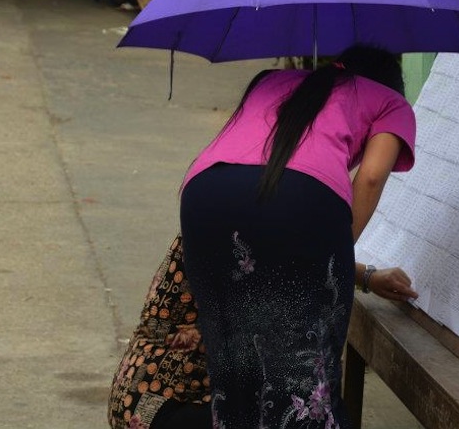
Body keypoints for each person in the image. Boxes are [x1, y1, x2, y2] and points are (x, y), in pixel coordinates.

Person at [178, 45, 416, 428]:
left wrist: (363, 274)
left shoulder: (271, 79)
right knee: (307, 370)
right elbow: (370, 178)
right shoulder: (391, 102)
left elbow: (268, 233)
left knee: (232, 360)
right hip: (302, 196)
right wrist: (333, 257)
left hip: (204, 193)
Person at [108, 231, 418, 429]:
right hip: (162, 403)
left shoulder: (233, 215)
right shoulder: (235, 230)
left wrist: (367, 277)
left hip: (162, 393)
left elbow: (298, 256)